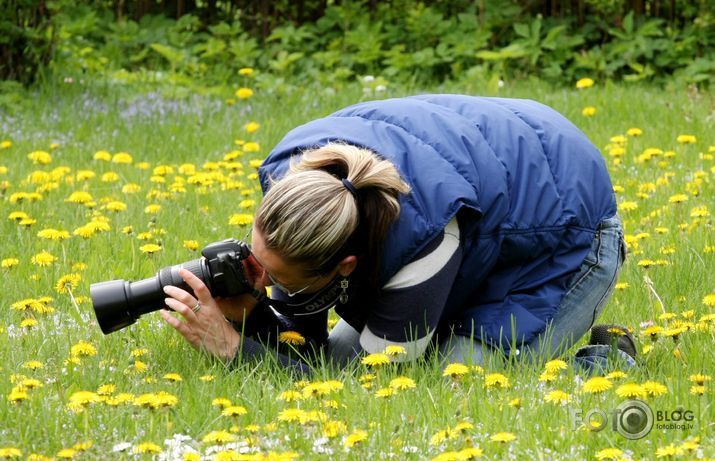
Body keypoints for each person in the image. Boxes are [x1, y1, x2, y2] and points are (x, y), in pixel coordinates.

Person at [160, 94, 632, 375]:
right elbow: (307, 347)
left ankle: (610, 360)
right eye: (259, 264)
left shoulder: (421, 241)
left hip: (566, 233)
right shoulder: (302, 188)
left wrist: (236, 352)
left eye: (273, 277)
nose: (258, 278)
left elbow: (372, 386)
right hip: (486, 205)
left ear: (344, 266)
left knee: (457, 380)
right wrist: (256, 316)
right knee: (336, 360)